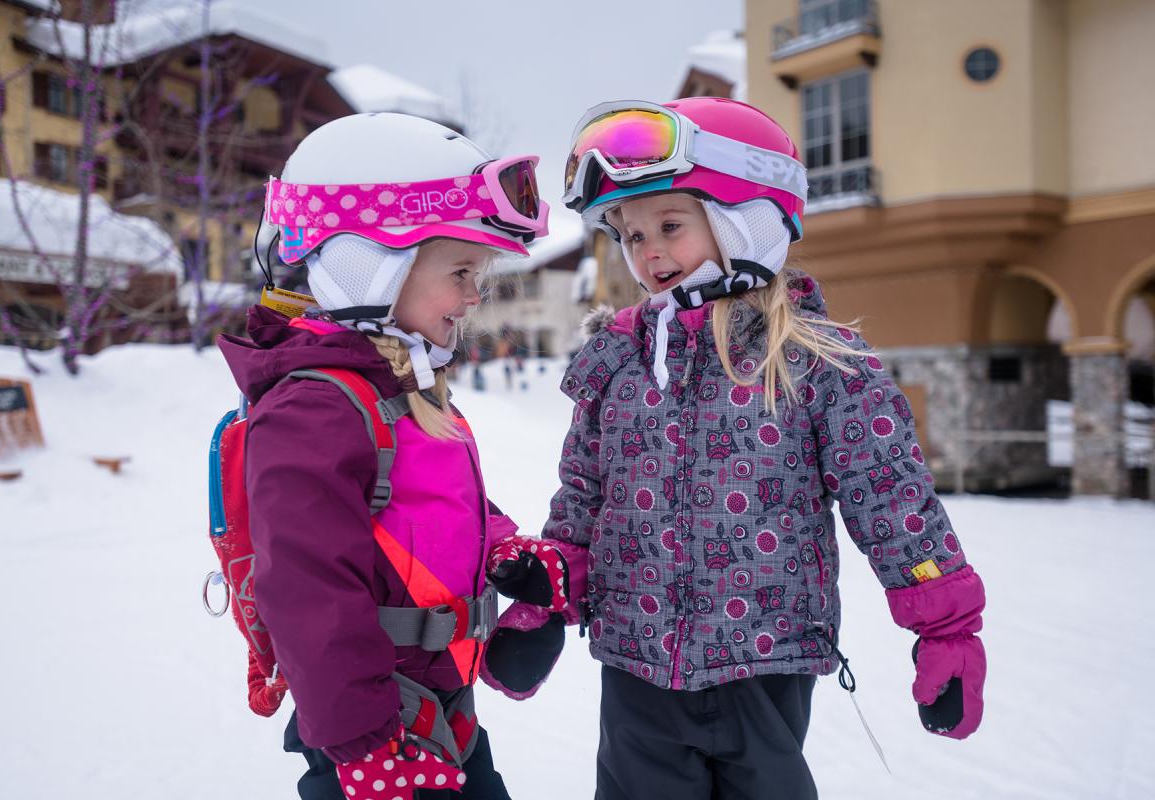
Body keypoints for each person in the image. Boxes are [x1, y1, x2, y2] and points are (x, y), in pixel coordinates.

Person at [482, 97, 988, 799]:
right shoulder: (617, 362)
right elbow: (584, 499)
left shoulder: (815, 362)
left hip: (764, 662)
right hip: (635, 665)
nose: (647, 251)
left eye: (670, 225)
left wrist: (947, 631)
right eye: (630, 235)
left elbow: (891, 498)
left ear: (745, 219)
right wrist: (549, 599)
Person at [217, 112, 550, 800]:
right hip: (375, 736)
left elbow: (434, 507)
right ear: (368, 264)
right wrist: (363, 745)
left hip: (439, 710)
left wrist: (504, 553)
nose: (475, 294)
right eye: (461, 270)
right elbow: (308, 591)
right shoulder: (315, 409)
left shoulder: (398, 388)